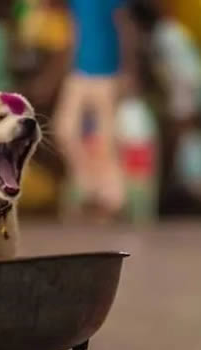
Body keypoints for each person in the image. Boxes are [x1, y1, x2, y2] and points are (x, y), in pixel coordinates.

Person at [53, 0, 138, 218]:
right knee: (64, 130)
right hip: (79, 73)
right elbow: (75, 31)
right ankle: (90, 189)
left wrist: (128, 69)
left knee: (105, 138)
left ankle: (113, 199)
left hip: (107, 74)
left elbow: (125, 28)